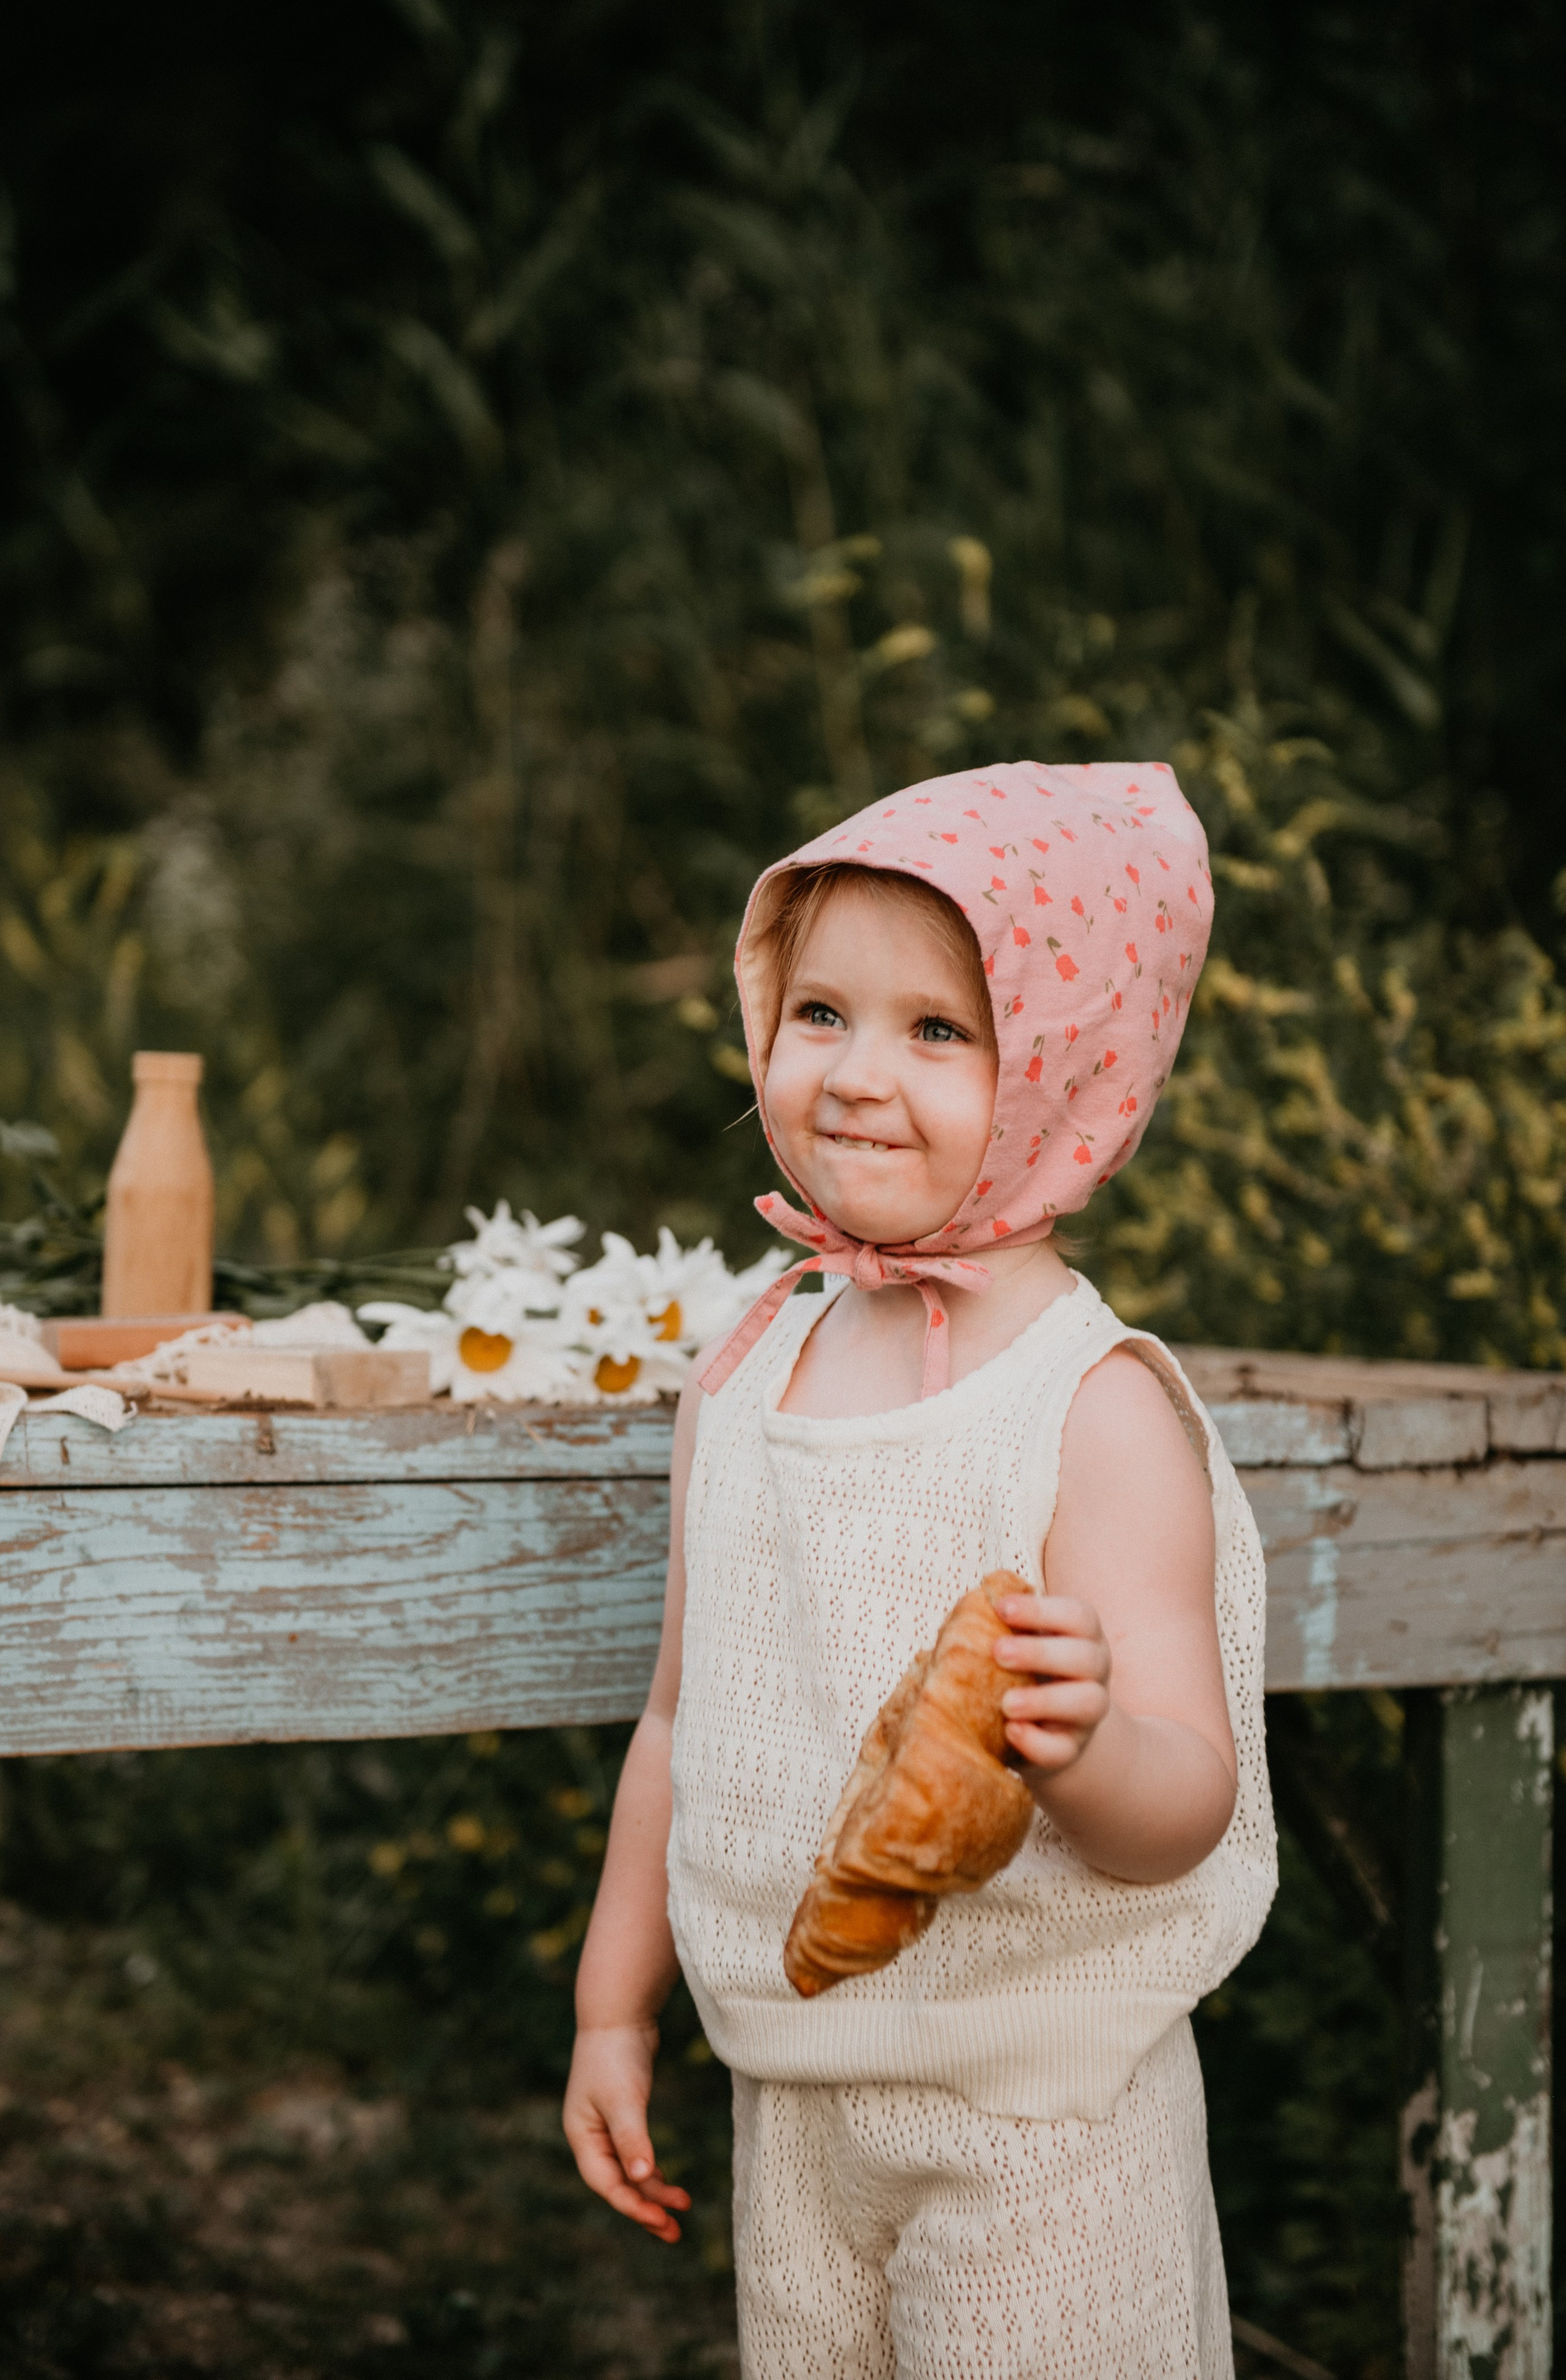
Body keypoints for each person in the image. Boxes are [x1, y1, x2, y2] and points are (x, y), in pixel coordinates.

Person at [564, 760, 1277, 2378]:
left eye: (940, 1029)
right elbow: (681, 1720)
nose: (857, 1075)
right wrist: (616, 2007)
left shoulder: (1091, 1406)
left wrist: (1088, 1749)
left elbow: (1189, 1802)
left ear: (1067, 1072)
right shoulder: (747, 1373)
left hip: (1043, 2121)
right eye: (820, 1012)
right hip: (795, 2097)